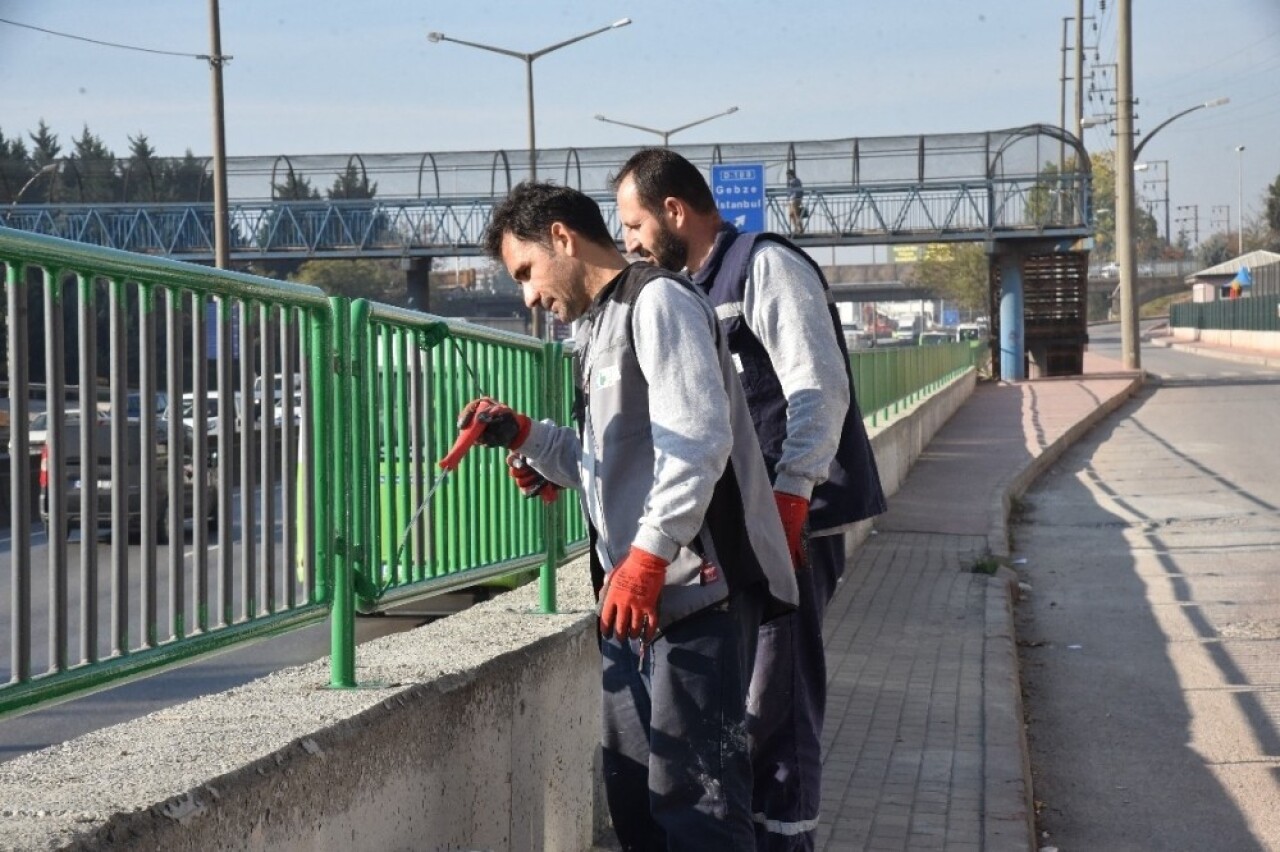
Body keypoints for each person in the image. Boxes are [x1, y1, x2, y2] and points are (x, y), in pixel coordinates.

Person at [459, 181, 800, 850]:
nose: (527, 296)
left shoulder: (658, 301)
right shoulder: (597, 327)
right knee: (638, 801)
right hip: (638, 606)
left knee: (699, 806)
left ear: (562, 236)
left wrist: (647, 556)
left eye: (526, 271)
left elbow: (700, 439)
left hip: (697, 593)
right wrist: (526, 435)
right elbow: (608, 459)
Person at [613, 148, 887, 852]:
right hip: (751, 529)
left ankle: (787, 840)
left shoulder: (762, 266)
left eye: (635, 224)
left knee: (780, 698)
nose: (630, 244)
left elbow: (817, 389)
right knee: (748, 704)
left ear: (675, 210)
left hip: (789, 524)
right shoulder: (690, 290)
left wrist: (792, 499)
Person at [786, 169, 805, 236]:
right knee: (791, 214)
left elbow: (799, 190)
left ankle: (800, 229)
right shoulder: (791, 181)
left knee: (796, 214)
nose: (788, 176)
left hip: (796, 199)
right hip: (792, 199)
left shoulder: (796, 181)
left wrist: (799, 199)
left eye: (788, 174)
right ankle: (797, 228)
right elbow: (789, 192)